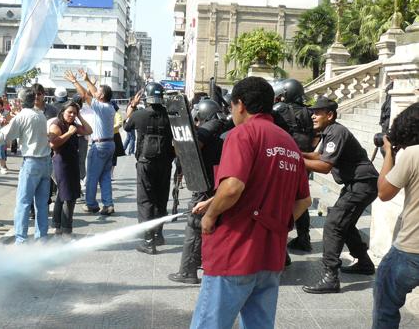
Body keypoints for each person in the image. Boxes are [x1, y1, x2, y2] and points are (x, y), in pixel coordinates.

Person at [189, 77, 311, 329]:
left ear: (240, 104)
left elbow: (234, 186)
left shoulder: (243, 133)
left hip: (235, 250)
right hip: (270, 254)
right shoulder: (288, 142)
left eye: (232, 107)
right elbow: (303, 200)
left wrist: (211, 215)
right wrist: (280, 225)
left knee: (210, 323)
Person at [302, 97, 379, 294]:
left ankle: (330, 277)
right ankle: (364, 263)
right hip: (360, 184)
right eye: (313, 111)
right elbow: (320, 156)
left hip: (362, 184)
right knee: (345, 224)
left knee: (334, 224)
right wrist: (297, 153)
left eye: (318, 112)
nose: (313, 115)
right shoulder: (330, 131)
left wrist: (294, 159)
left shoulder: (336, 131)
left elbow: (325, 166)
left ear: (330, 115)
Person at [169, 99, 229, 284]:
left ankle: (188, 271)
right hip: (220, 185)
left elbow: (189, 150)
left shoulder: (209, 129)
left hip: (205, 186)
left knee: (194, 226)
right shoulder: (225, 127)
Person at [373, 103, 419, 328]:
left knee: (386, 309)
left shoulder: (413, 154)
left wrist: (389, 153)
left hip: (410, 251)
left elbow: (384, 192)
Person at [0, 88, 54, 244]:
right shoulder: (40, 115)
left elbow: (3, 138)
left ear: (20, 102)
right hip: (46, 161)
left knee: (23, 203)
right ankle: (41, 238)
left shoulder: (22, 116)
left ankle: (21, 240)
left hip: (31, 162)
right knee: (41, 203)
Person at [124, 82, 175, 254]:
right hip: (166, 163)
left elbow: (126, 126)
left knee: (146, 200)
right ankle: (159, 235)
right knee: (161, 199)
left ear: (147, 96)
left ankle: (148, 241)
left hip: (145, 163)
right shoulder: (170, 116)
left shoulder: (139, 115)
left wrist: (131, 106)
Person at [64, 69, 115, 215]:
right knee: (105, 176)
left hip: (99, 145)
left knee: (92, 176)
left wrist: (75, 81)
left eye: (98, 91)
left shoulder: (100, 107)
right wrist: (86, 79)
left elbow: (85, 95)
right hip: (109, 144)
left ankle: (91, 204)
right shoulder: (109, 107)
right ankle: (108, 204)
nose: (95, 92)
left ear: (102, 96)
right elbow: (92, 93)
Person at [273, 79, 314, 253]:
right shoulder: (308, 111)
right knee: (300, 198)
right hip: (304, 159)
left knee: (281, 200)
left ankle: (279, 242)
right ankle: (304, 237)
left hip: (286, 158)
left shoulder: (279, 110)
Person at [49, 101, 92, 235]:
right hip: (61, 163)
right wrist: (69, 133)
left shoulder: (73, 124)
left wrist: (79, 117)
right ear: (63, 112)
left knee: (63, 195)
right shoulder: (56, 125)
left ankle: (57, 225)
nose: (72, 115)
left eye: (74, 113)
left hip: (72, 162)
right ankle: (66, 229)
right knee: (69, 197)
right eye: (70, 112)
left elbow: (88, 130)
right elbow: (53, 143)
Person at [111, 100, 125, 180]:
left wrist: (110, 128)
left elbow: (119, 124)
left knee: (114, 155)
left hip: (115, 136)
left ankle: (111, 173)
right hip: (106, 136)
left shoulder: (117, 114)